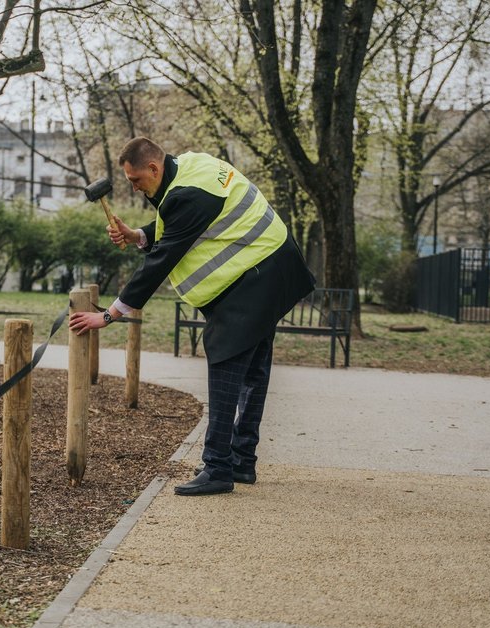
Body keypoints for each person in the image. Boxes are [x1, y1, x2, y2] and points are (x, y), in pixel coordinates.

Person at [69, 137, 315, 496]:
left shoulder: (186, 196)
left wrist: (108, 315)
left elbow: (162, 259)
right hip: (273, 265)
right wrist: (137, 235)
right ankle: (241, 461)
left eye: (136, 180)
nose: (136, 189)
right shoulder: (191, 168)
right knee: (255, 367)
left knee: (226, 359)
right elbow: (179, 224)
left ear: (153, 168)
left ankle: (218, 467)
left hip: (258, 274)